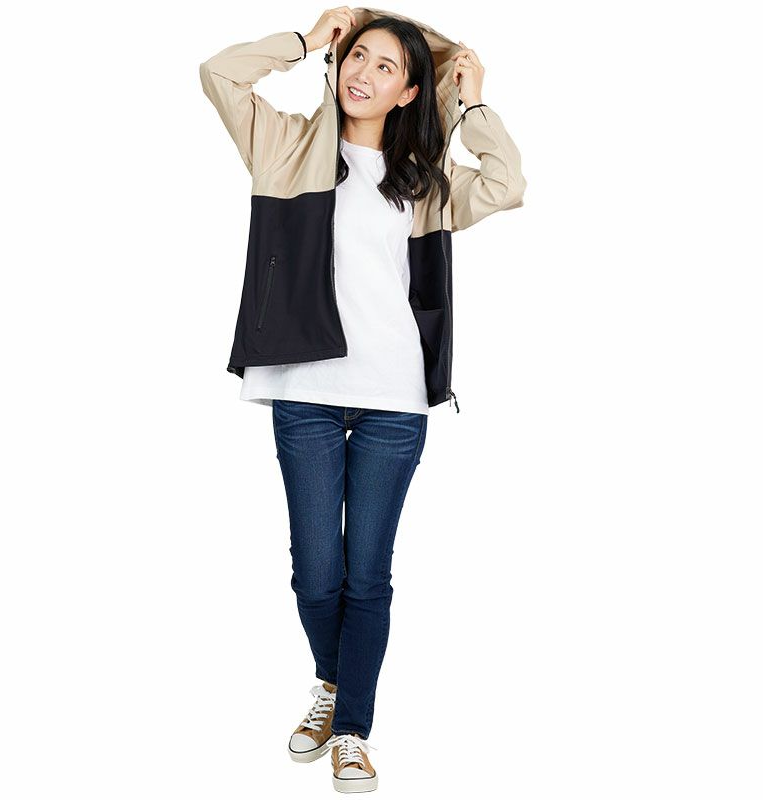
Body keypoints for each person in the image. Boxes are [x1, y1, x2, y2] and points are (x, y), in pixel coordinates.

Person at [199, 7, 526, 792]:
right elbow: (219, 75)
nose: (364, 73)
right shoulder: (282, 145)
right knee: (316, 575)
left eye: (387, 67)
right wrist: (309, 38)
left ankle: (350, 728)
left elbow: (508, 184)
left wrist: (473, 100)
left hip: (393, 400)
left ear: (411, 90)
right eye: (357, 56)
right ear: (337, 64)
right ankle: (335, 678)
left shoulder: (425, 182)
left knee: (367, 576)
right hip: (304, 391)